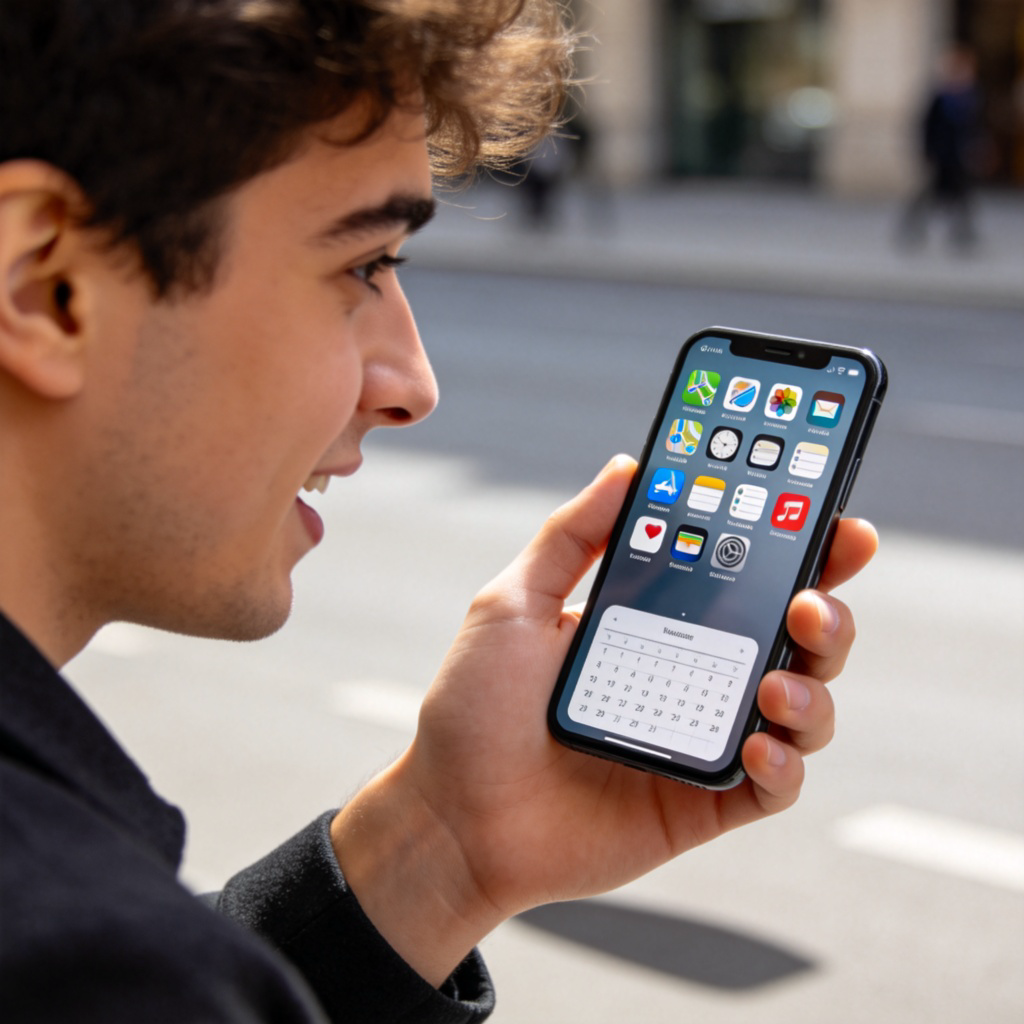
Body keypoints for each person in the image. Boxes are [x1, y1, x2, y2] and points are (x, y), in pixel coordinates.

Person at [0, 1, 878, 1021]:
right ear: (48, 284)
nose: (414, 384)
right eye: (361, 265)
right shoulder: (79, 953)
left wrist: (445, 841)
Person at [899, 44, 982, 250]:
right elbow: (927, 126)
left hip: (959, 154)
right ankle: (914, 227)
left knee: (960, 195)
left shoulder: (969, 96)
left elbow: (974, 127)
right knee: (935, 194)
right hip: (943, 154)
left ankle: (963, 232)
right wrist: (928, 150)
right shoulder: (942, 97)